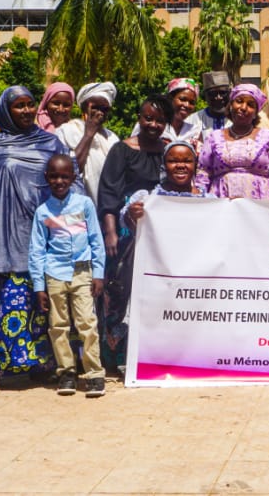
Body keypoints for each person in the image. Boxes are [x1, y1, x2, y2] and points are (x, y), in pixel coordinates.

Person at [0, 86, 74, 379]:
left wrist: (72, 227)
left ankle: (43, 365)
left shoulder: (51, 143)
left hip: (42, 229)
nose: (26, 111)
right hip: (2, 232)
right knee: (5, 297)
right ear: (6, 110)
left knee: (44, 300)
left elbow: (73, 179)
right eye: (18, 106)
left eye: (30, 104)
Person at [96, 96, 170, 367]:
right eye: (148, 118)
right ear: (139, 118)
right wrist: (111, 231)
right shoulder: (122, 150)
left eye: (160, 120)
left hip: (161, 234)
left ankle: (149, 355)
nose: (153, 124)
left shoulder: (168, 151)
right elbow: (109, 192)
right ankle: (114, 356)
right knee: (120, 289)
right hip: (127, 231)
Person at [30, 154, 106, 398]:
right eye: (54, 176)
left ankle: (94, 374)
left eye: (64, 176)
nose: (59, 181)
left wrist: (99, 273)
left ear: (73, 177)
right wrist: (39, 286)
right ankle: (67, 372)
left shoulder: (84, 204)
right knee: (58, 325)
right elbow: (37, 250)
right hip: (54, 274)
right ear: (47, 178)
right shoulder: (43, 212)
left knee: (87, 322)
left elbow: (96, 239)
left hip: (82, 272)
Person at [196, 84, 269, 199]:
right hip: (220, 206)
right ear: (230, 105)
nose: (243, 107)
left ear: (256, 113)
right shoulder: (213, 138)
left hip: (259, 208)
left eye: (250, 105)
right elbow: (202, 174)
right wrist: (203, 201)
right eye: (239, 101)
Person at [55, 81, 117, 203]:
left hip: (107, 206)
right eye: (95, 108)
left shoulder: (113, 138)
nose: (100, 113)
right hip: (76, 206)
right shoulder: (66, 131)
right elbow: (70, 171)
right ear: (83, 107)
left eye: (104, 109)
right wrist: (88, 134)